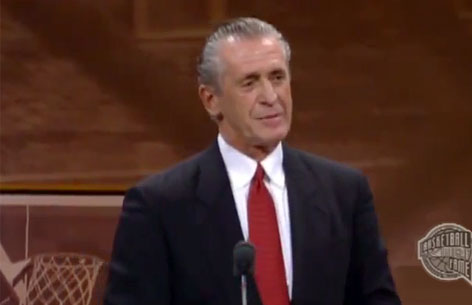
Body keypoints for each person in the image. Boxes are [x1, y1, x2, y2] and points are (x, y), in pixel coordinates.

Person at [104, 17, 401, 305]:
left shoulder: (344, 192)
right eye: (250, 83)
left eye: (277, 77)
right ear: (211, 100)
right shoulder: (159, 206)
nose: (271, 96)